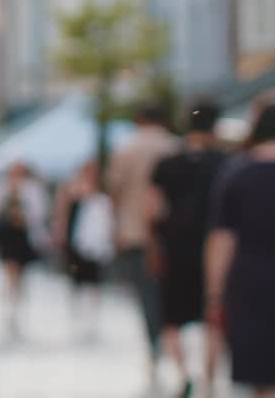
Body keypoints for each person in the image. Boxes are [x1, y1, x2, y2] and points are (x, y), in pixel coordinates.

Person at [206, 104, 275, 397]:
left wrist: (215, 292)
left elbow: (223, 239)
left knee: (262, 375)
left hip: (251, 282)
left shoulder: (238, 173)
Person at [150, 99, 229, 398]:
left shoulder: (167, 164)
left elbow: (153, 208)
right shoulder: (226, 164)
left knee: (172, 319)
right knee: (213, 317)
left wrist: (154, 245)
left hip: (175, 249)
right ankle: (209, 380)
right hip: (215, 250)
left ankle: (185, 374)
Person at [107, 103, 180, 381]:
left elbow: (114, 191)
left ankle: (154, 345)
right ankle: (167, 343)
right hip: (170, 233)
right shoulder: (174, 146)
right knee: (167, 292)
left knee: (146, 294)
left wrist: (116, 226)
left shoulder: (127, 148)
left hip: (134, 230)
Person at [0, 161, 49, 338]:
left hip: (24, 236)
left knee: (20, 275)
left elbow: (39, 212)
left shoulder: (32, 188)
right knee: (10, 272)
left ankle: (16, 308)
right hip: (7, 236)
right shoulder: (1, 187)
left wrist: (23, 216)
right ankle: (10, 310)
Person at [52, 161, 114, 342]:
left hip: (95, 244)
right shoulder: (72, 196)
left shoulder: (101, 199)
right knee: (77, 281)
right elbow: (63, 216)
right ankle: (79, 316)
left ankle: (92, 318)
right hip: (77, 243)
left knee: (94, 281)